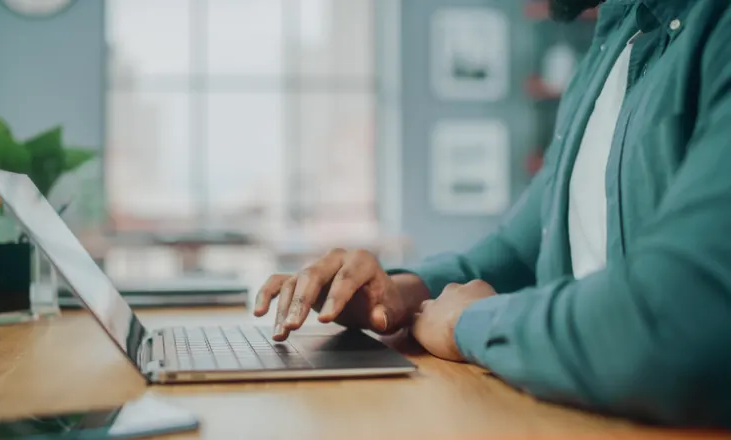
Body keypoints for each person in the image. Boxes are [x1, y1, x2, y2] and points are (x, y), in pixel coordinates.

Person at [255, 0, 731, 428]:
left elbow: (678, 319)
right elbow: (519, 251)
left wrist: (472, 324)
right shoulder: (610, 44)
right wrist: (393, 295)